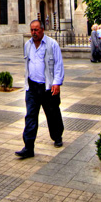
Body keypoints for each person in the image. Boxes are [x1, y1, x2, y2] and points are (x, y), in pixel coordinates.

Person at [16, 20, 64, 158]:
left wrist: (56, 83)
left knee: (52, 112)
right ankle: (28, 147)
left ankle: (57, 136)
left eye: (36, 30)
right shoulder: (28, 45)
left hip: (47, 87)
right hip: (32, 86)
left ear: (42, 30)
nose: (34, 33)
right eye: (32, 30)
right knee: (30, 115)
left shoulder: (52, 44)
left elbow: (58, 64)